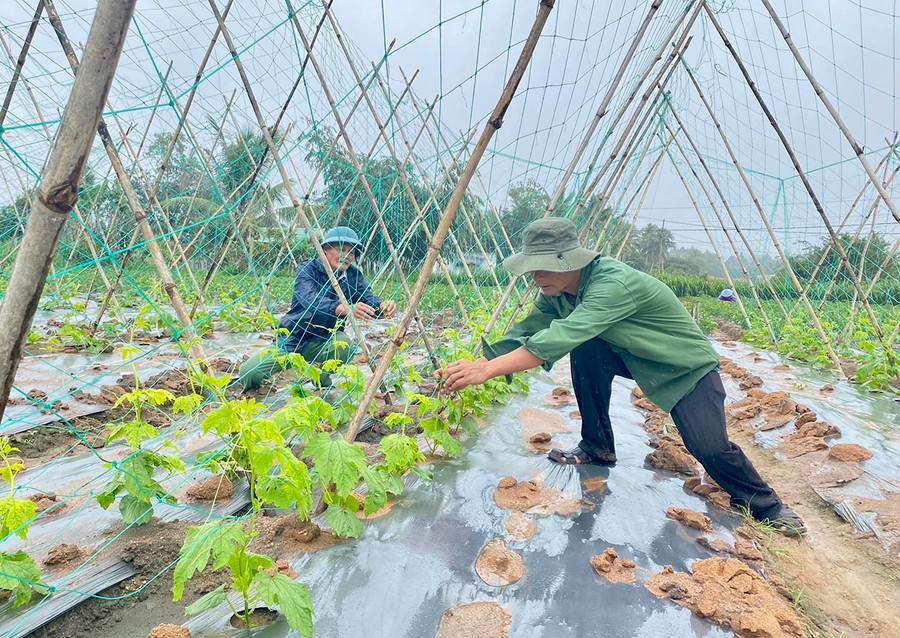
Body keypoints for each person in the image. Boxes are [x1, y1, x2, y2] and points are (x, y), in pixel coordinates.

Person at [439, 217, 805, 536]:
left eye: (544, 266)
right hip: (634, 357)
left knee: (708, 448)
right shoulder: (558, 291)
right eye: (531, 268)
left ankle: (769, 506)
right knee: (587, 351)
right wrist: (475, 362)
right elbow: (527, 330)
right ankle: (597, 448)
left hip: (684, 367)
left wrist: (486, 371)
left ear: (570, 260)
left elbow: (560, 336)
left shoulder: (612, 283)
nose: (536, 276)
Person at [238, 226, 396, 390]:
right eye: (341, 249)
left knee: (344, 344)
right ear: (325, 249)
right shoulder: (308, 269)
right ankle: (254, 391)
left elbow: (366, 297)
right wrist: (343, 308)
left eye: (351, 252)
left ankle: (322, 381)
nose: (346, 256)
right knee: (249, 373)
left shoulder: (353, 276)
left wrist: (381, 306)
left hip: (325, 339)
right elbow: (310, 300)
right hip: (294, 339)